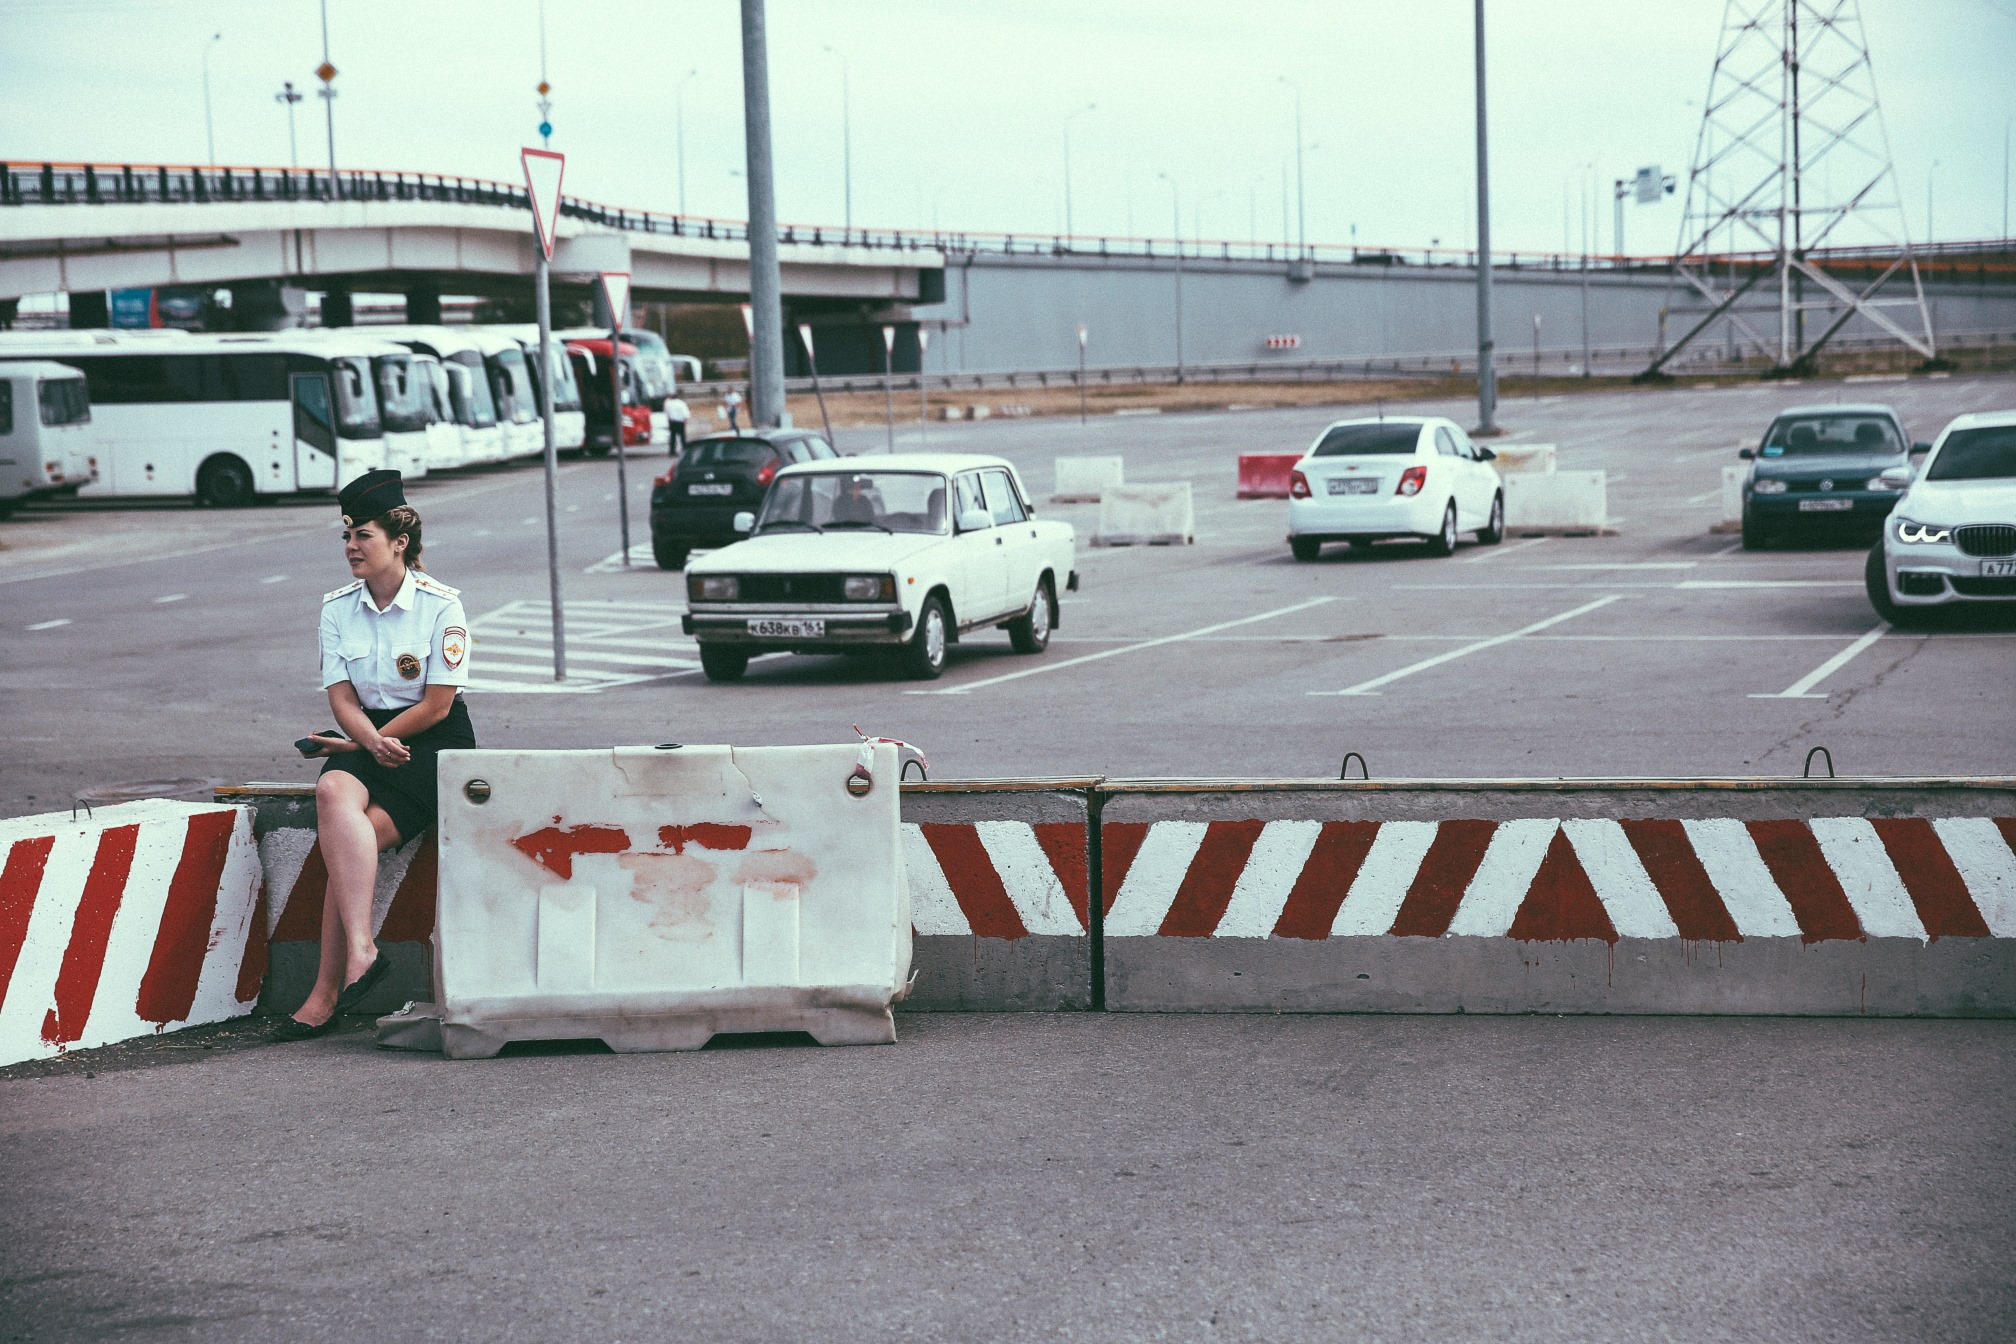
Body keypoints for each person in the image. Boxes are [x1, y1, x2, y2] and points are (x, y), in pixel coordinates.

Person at [274, 469, 476, 1041]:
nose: (350, 548)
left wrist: (385, 741)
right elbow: (341, 697)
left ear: (398, 542)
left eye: (362, 535)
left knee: (348, 844)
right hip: (369, 734)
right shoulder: (338, 609)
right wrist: (366, 741)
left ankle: (323, 995)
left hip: (431, 742)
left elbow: (438, 704)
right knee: (333, 790)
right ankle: (362, 953)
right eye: (346, 538)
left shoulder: (442, 607)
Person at [665, 391, 690, 456]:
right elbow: (686, 414)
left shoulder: (668, 404)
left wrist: (669, 420)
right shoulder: (681, 403)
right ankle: (684, 450)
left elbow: (667, 413)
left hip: (672, 421)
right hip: (680, 421)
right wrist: (685, 422)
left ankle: (672, 451)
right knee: (682, 437)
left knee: (673, 437)